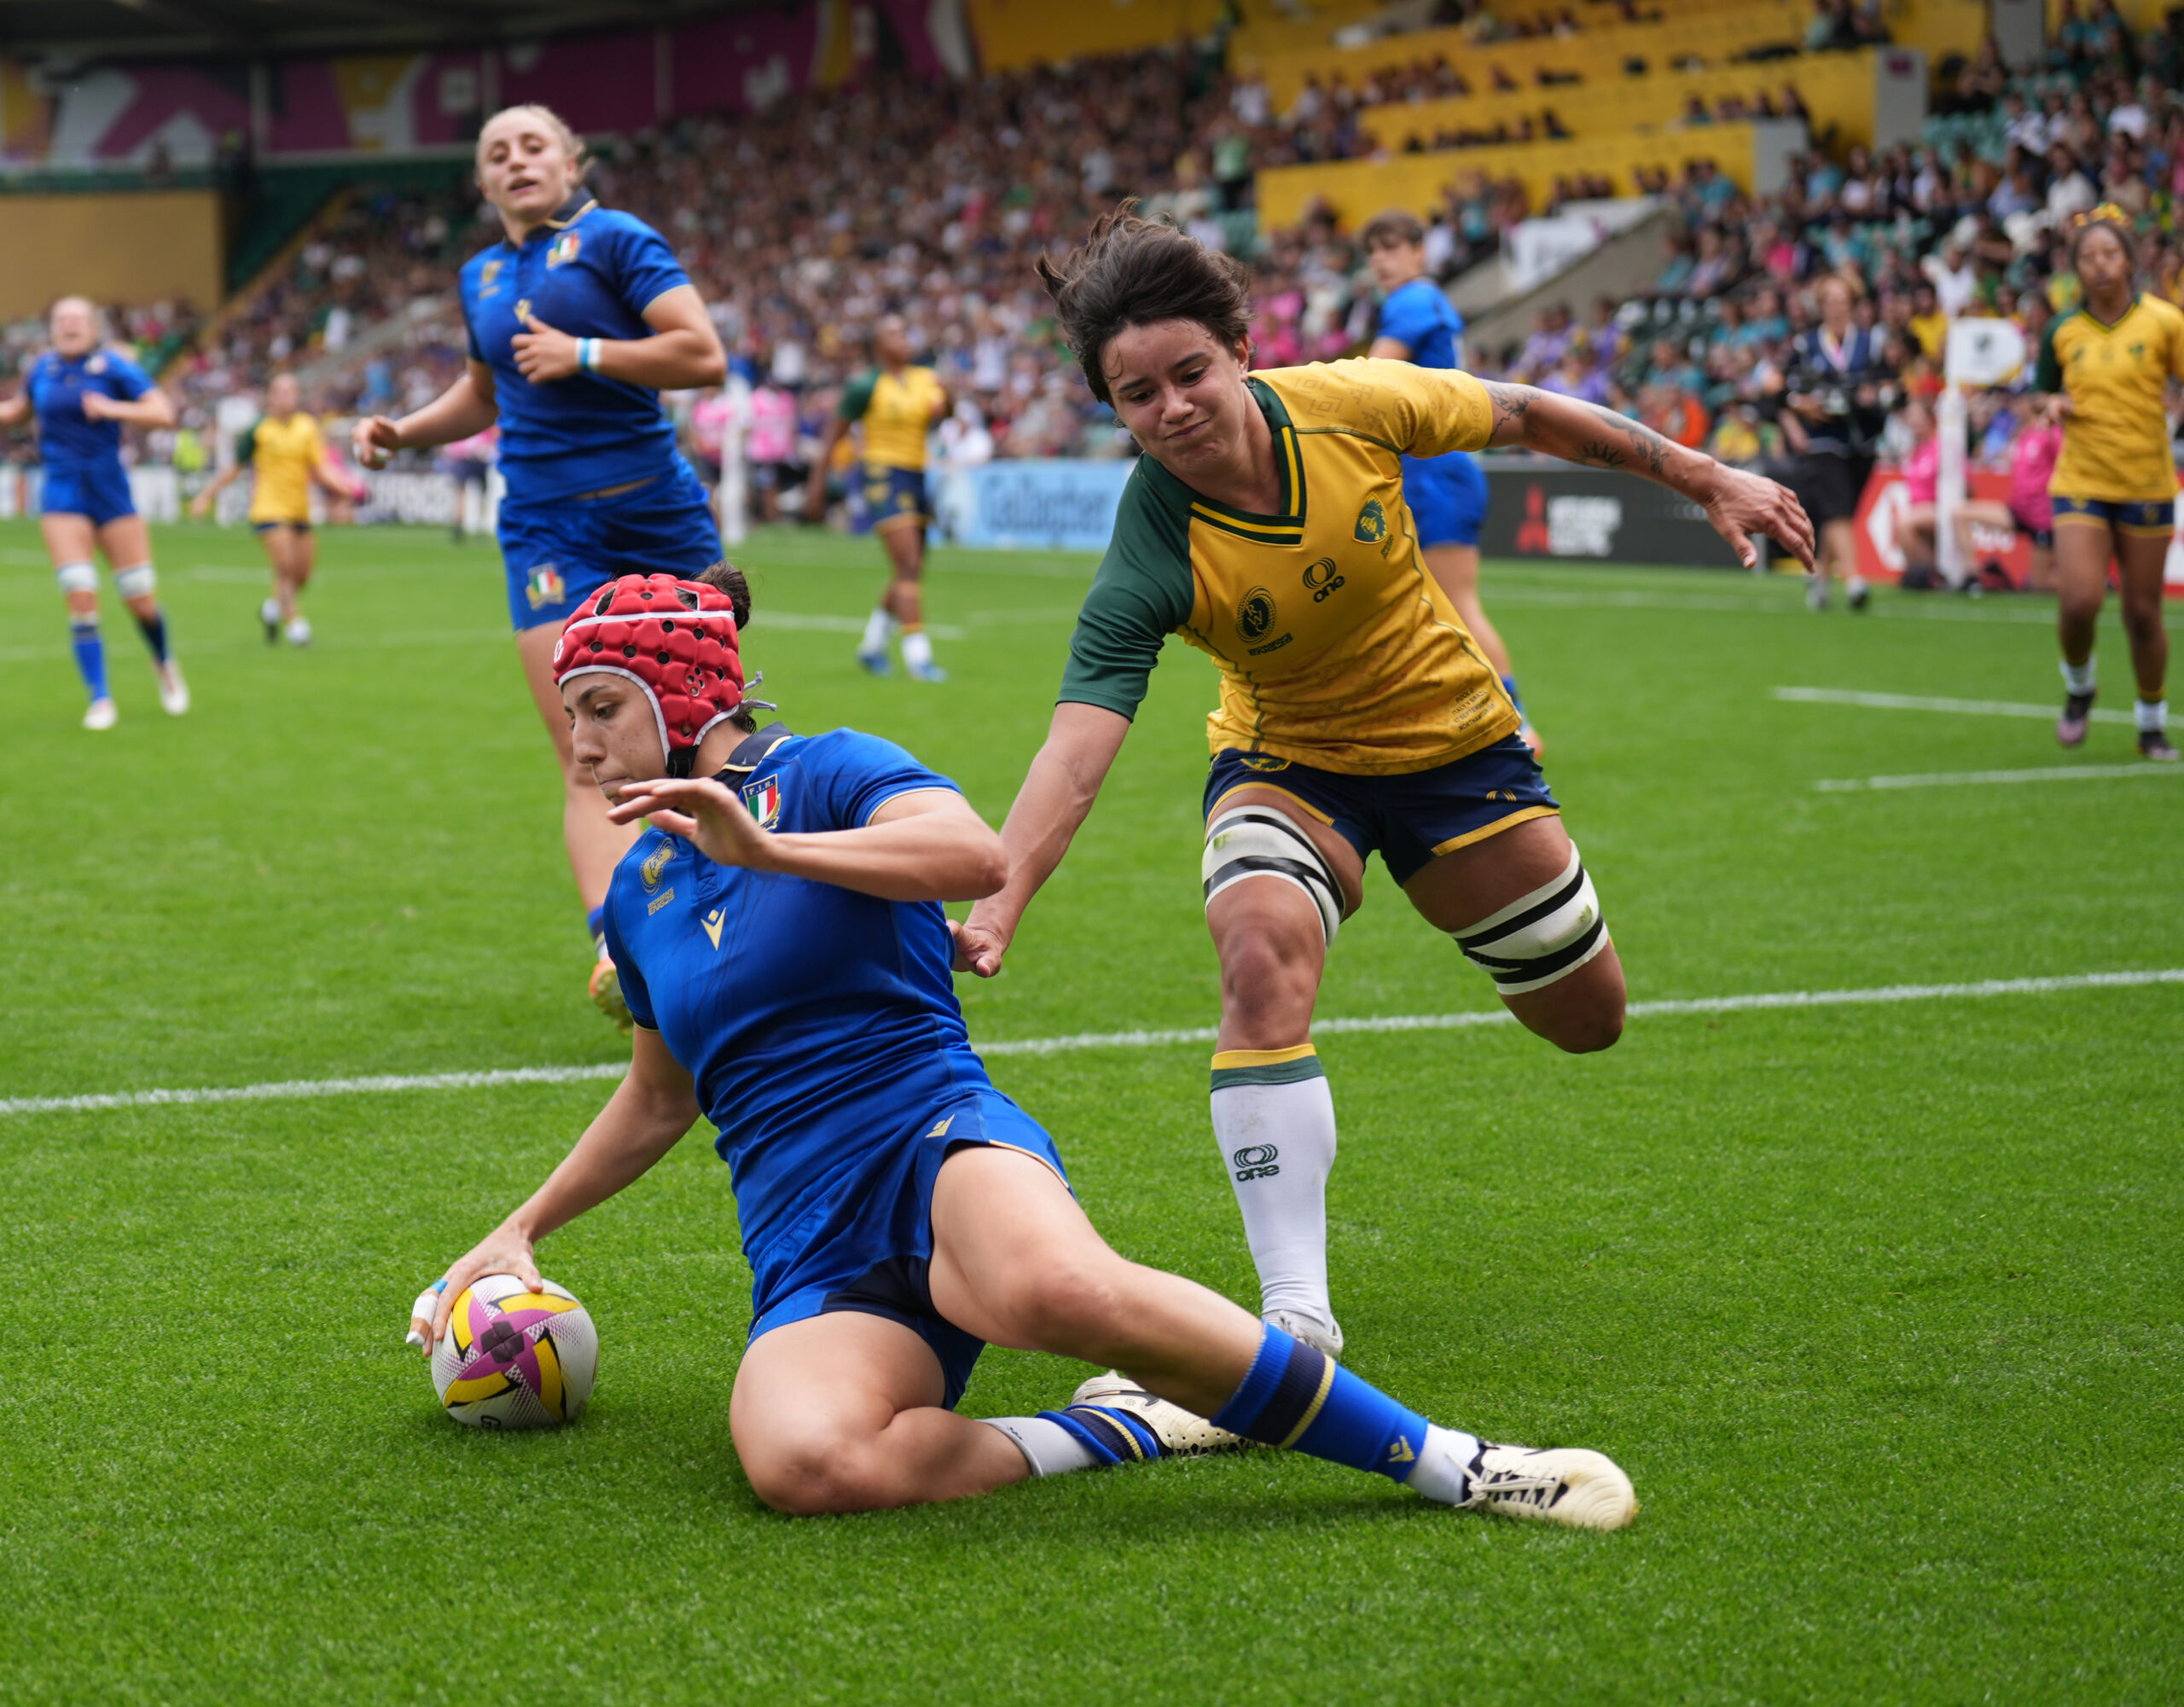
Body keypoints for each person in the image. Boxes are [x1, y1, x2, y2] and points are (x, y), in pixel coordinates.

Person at [410, 566, 1637, 1530]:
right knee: (805, 1460)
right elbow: (658, 1099)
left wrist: (774, 852)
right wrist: (522, 1228)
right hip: (800, 1233)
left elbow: (974, 856)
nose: (575, 742)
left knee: (1053, 1290)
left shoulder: (830, 773)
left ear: (686, 694)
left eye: (601, 707)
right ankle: (1134, 1430)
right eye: (570, 714)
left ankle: (1456, 1465)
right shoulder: (639, 893)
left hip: (931, 1134)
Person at [952, 209, 1813, 1358]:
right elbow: (1075, 746)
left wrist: (1704, 476)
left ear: (1240, 352)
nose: (1174, 409)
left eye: (1190, 373)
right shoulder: (1152, 546)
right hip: (1288, 767)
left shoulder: (1351, 403)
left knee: (1587, 1019)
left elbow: (1524, 410)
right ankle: (1296, 1320)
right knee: (1256, 953)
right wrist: (1000, 899)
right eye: (1138, 396)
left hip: (1458, 752)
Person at [350, 103, 728, 1027]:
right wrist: (406, 431)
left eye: (531, 145)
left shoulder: (617, 239)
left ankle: (743, 909)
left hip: (656, 511)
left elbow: (702, 354)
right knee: (582, 746)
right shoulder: (480, 272)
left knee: (713, 725)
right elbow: (484, 393)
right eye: (495, 153)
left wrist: (586, 352)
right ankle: (615, 945)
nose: (515, 160)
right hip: (546, 532)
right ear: (481, 183)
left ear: (571, 160)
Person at [1361, 208, 1539, 753]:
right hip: (1436, 471)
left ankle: (1517, 722)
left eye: (1392, 247)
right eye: (1374, 251)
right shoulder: (1426, 301)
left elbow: (1369, 377)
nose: (1381, 260)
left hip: (1437, 473)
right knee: (1430, 604)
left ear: (1419, 251)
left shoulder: (1412, 300)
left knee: (1455, 604)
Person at [2033, 206, 2184, 760]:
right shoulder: (2062, 329)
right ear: (2075, 267)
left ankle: (2151, 722)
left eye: (2109, 254)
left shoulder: (2165, 322)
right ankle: (2080, 689)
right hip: (2082, 479)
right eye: (2088, 257)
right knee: (2078, 600)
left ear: (2130, 260)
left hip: (2146, 482)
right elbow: (2039, 390)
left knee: (2143, 613)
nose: (2100, 265)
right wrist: (2048, 402)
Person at [0, 296, 185, 729]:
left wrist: (111, 409)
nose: (68, 325)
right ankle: (100, 698)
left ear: (94, 327)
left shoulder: (114, 367)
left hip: (110, 492)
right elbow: (16, 411)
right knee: (81, 596)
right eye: (61, 319)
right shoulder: (41, 369)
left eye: (77, 319)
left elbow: (163, 413)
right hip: (62, 494)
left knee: (139, 599)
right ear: (51, 329)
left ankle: (164, 663)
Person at [808, 315, 952, 681]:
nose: (904, 337)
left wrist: (949, 396)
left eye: (906, 331)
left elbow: (944, 411)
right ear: (877, 344)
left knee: (911, 567)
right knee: (908, 567)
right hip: (882, 476)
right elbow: (833, 435)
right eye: (894, 333)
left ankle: (872, 647)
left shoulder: (924, 378)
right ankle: (918, 657)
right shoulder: (865, 385)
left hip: (917, 475)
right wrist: (817, 485)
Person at [189, 372, 363, 645]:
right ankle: (296, 626)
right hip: (268, 508)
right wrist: (206, 495)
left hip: (299, 509)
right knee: (284, 567)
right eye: (280, 392)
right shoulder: (258, 429)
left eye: (291, 392)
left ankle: (272, 610)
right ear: (271, 396)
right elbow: (234, 468)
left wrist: (346, 487)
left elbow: (320, 468)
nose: (286, 398)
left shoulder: (307, 427)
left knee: (301, 575)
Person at [1780, 276, 1894, 611]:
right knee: (1836, 505)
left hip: (1862, 436)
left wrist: (1874, 394)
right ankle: (1855, 579)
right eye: (1830, 300)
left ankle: (1817, 575)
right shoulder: (1807, 344)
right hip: (1823, 436)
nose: (1837, 307)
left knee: (1841, 512)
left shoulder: (1870, 342)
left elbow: (1889, 381)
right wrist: (1800, 405)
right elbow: (1784, 389)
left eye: (1842, 300)